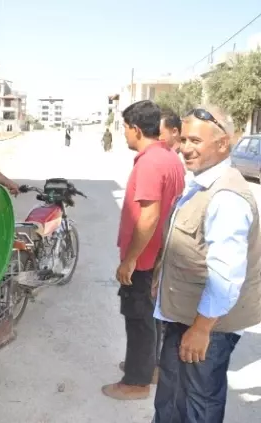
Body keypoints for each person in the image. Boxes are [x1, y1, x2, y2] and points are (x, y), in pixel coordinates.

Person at [152, 106, 261, 423]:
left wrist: (201, 329)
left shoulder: (226, 196)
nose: (185, 147)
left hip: (206, 326)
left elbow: (226, 275)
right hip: (184, 316)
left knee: (199, 403)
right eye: (183, 139)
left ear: (223, 143)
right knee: (172, 395)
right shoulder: (199, 182)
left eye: (195, 140)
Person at [102, 100, 185, 401]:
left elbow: (149, 217)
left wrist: (131, 259)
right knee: (151, 316)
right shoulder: (169, 157)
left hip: (145, 257)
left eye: (125, 128)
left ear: (136, 129)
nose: (124, 134)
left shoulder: (150, 162)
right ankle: (149, 366)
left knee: (138, 318)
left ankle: (136, 382)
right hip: (158, 255)